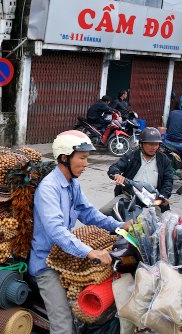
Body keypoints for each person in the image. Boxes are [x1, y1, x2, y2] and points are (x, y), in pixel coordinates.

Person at [29, 130, 132, 334]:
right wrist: (90, 252)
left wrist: (119, 226)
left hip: (65, 256)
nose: (86, 164)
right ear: (65, 158)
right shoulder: (48, 189)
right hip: (45, 264)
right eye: (83, 158)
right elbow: (56, 230)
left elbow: (89, 213)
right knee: (64, 325)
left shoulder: (72, 185)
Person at [100, 127, 173, 215]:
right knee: (103, 212)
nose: (153, 147)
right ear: (141, 144)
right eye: (150, 144)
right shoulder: (132, 155)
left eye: (156, 144)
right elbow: (114, 167)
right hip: (130, 195)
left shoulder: (163, 159)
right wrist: (117, 174)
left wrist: (164, 196)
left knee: (161, 223)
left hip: (152, 198)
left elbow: (168, 180)